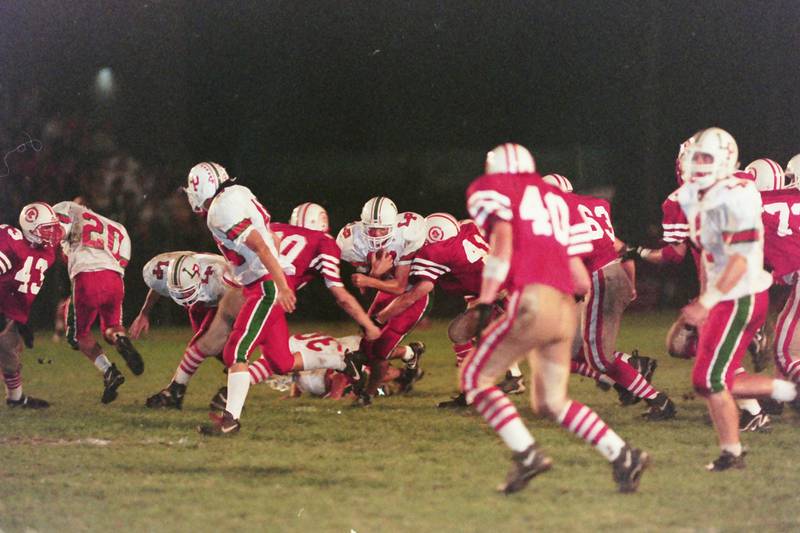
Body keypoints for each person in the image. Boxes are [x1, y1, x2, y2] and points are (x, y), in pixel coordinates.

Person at [462, 142, 648, 494]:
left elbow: (501, 244)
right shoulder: (557, 201)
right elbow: (578, 277)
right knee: (551, 402)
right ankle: (623, 455)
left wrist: (486, 301)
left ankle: (527, 454)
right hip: (565, 307)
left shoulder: (491, 191)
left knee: (475, 377)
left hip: (534, 300)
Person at [676, 127, 799, 470]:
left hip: (739, 295)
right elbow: (707, 256)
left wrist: (706, 301)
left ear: (726, 160)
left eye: (706, 158)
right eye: (695, 157)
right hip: (728, 294)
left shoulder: (735, 194)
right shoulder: (702, 196)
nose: (698, 164)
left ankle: (734, 451)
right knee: (714, 379)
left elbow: (741, 256)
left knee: (711, 379)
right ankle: (736, 447)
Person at [542, 173, 676, 420]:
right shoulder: (593, 206)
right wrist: (630, 282)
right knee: (568, 351)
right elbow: (619, 248)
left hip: (598, 280)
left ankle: (658, 399)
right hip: (613, 276)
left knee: (599, 358)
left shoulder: (558, 214)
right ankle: (634, 370)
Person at [336, 196, 428, 404]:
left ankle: (368, 393)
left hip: (414, 295)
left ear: (393, 226)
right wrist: (374, 277)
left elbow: (400, 286)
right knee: (368, 341)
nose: (376, 235)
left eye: (382, 229)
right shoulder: (353, 241)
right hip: (385, 292)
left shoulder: (407, 233)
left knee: (377, 353)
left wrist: (370, 278)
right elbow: (367, 292)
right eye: (371, 229)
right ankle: (408, 355)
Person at [53, 200, 142, 404]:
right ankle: (120, 339)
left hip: (87, 278)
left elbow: (56, 233)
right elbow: (124, 259)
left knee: (78, 336)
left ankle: (109, 371)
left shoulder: (68, 210)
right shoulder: (114, 225)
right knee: (112, 327)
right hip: (115, 279)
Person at [0, 203, 62, 408]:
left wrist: (20, 319)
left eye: (53, 227)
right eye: (46, 228)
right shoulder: (11, 241)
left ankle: (16, 399)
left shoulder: (48, 252)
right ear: (29, 228)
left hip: (12, 310)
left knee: (11, 353)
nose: (52, 234)